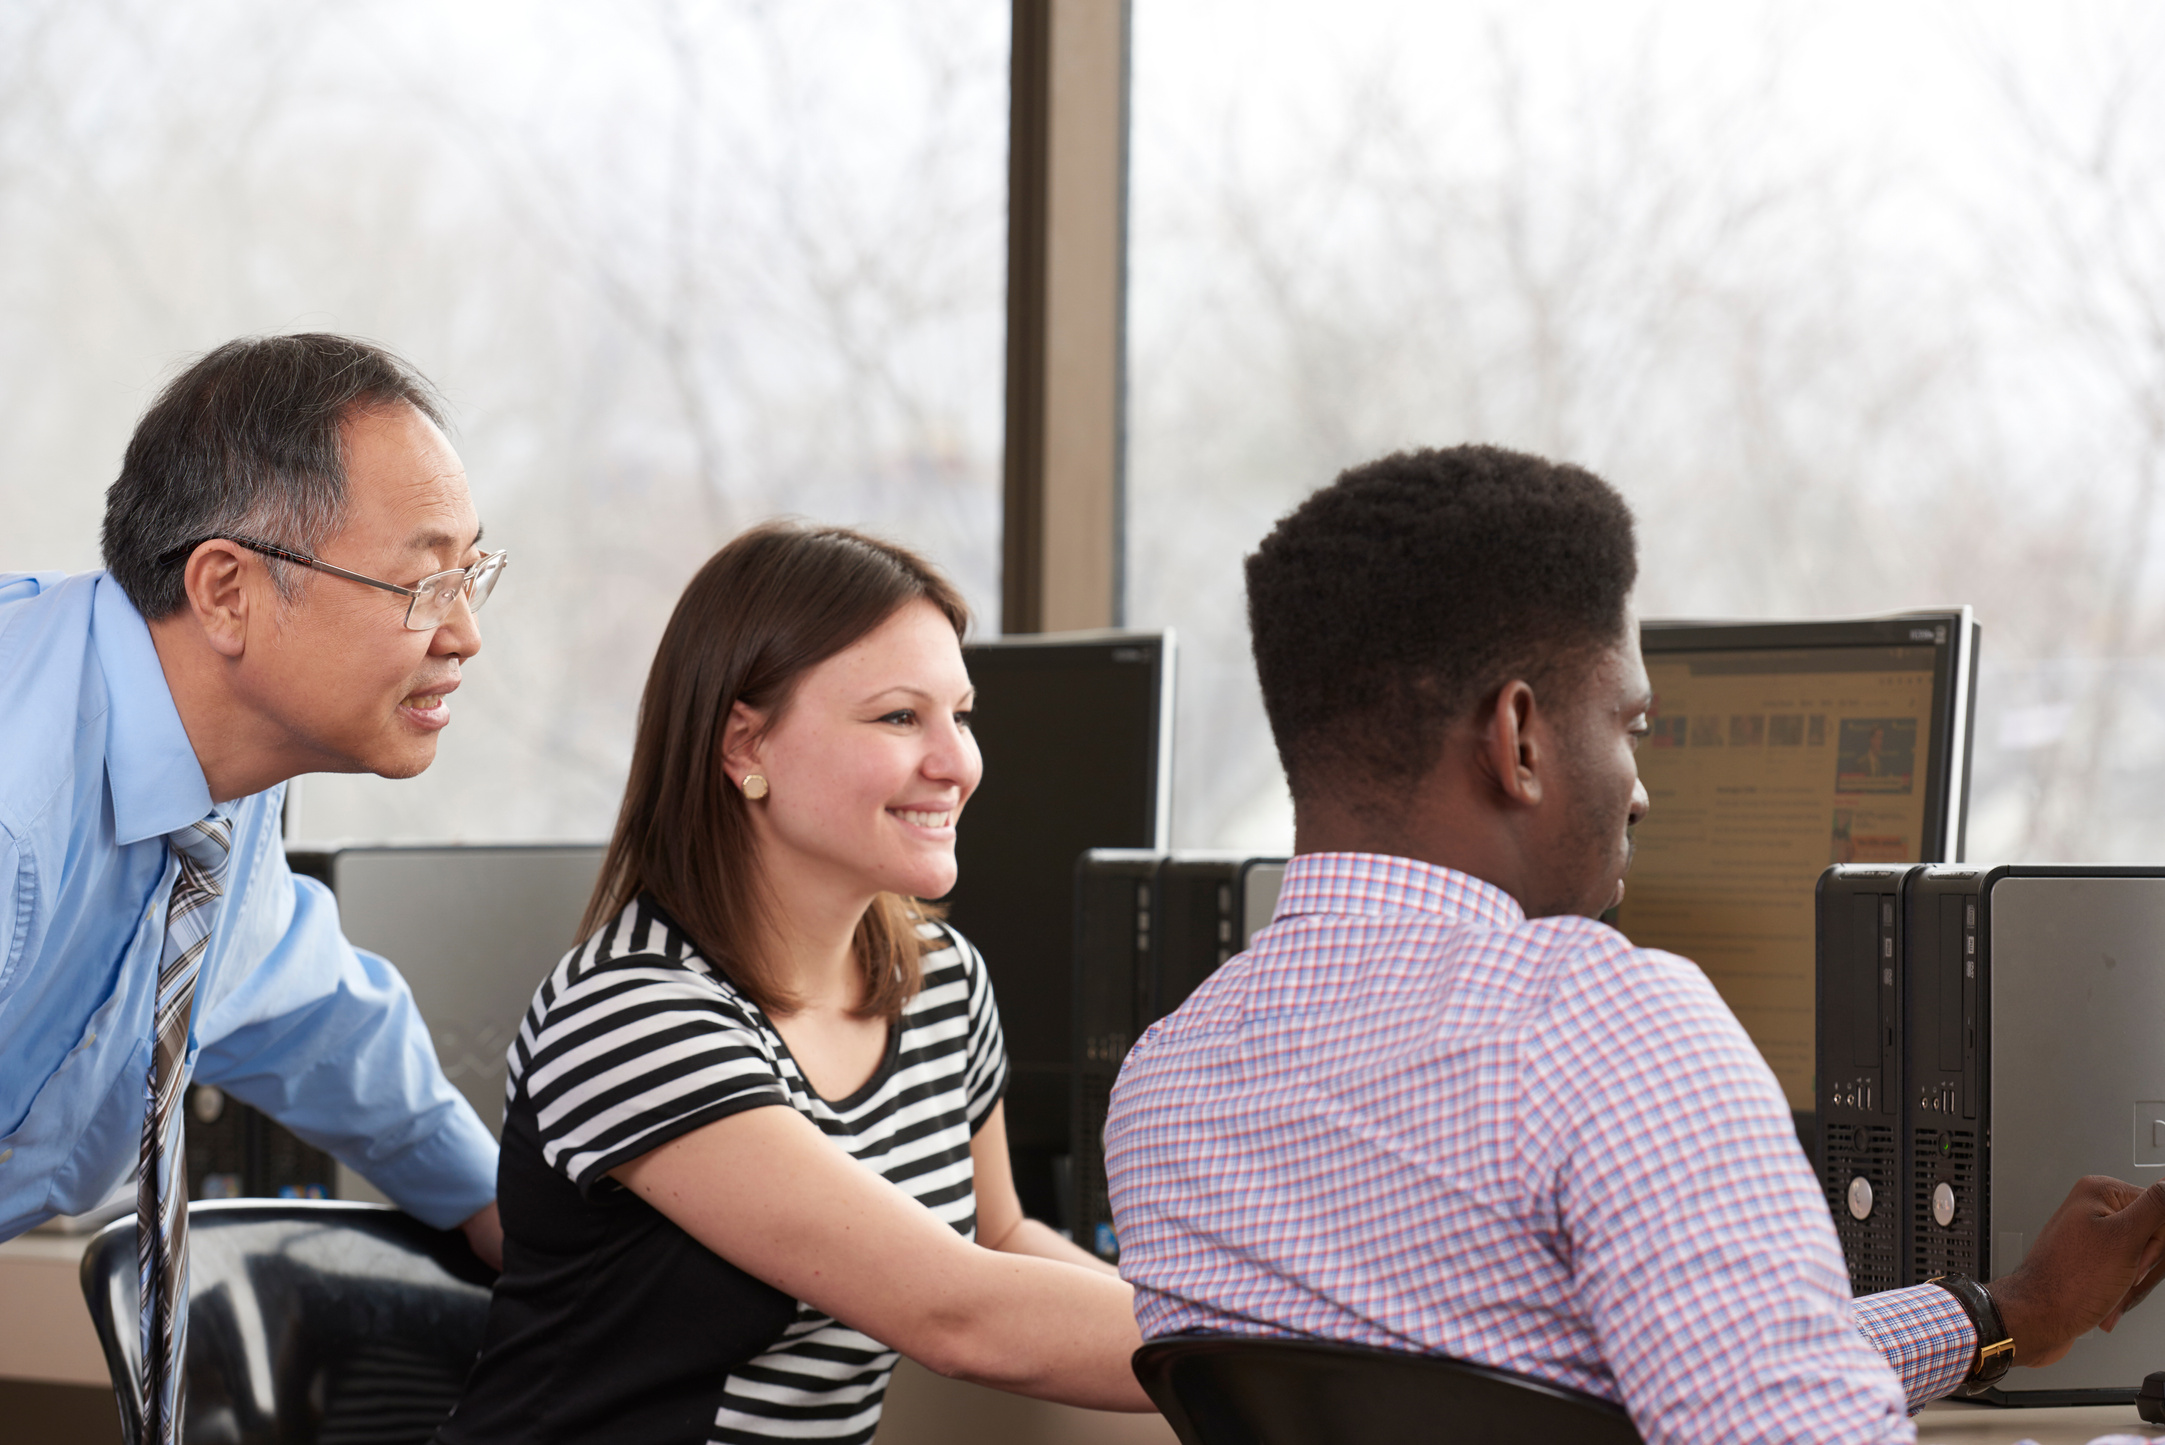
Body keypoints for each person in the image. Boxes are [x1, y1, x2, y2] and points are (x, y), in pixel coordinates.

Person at [1103, 445, 2165, 1442]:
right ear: (1516, 737)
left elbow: (1604, 1367)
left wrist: (2001, 1310)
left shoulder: (1165, 1088)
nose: (1639, 789)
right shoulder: (1607, 1028)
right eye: (1629, 723)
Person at [438, 523, 1149, 1445]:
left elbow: (1000, 1239)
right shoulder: (632, 1015)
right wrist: (1274, 1356)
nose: (958, 762)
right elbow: (958, 1310)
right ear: (746, 745)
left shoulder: (940, 984)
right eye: (900, 716)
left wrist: (1249, 1352)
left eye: (961, 714)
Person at [0, 335, 507, 1437]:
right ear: (226, 590)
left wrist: (491, 1201)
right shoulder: (12, 798)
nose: (465, 632)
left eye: (473, 572)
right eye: (424, 582)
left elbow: (303, 1001)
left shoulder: (221, 789)